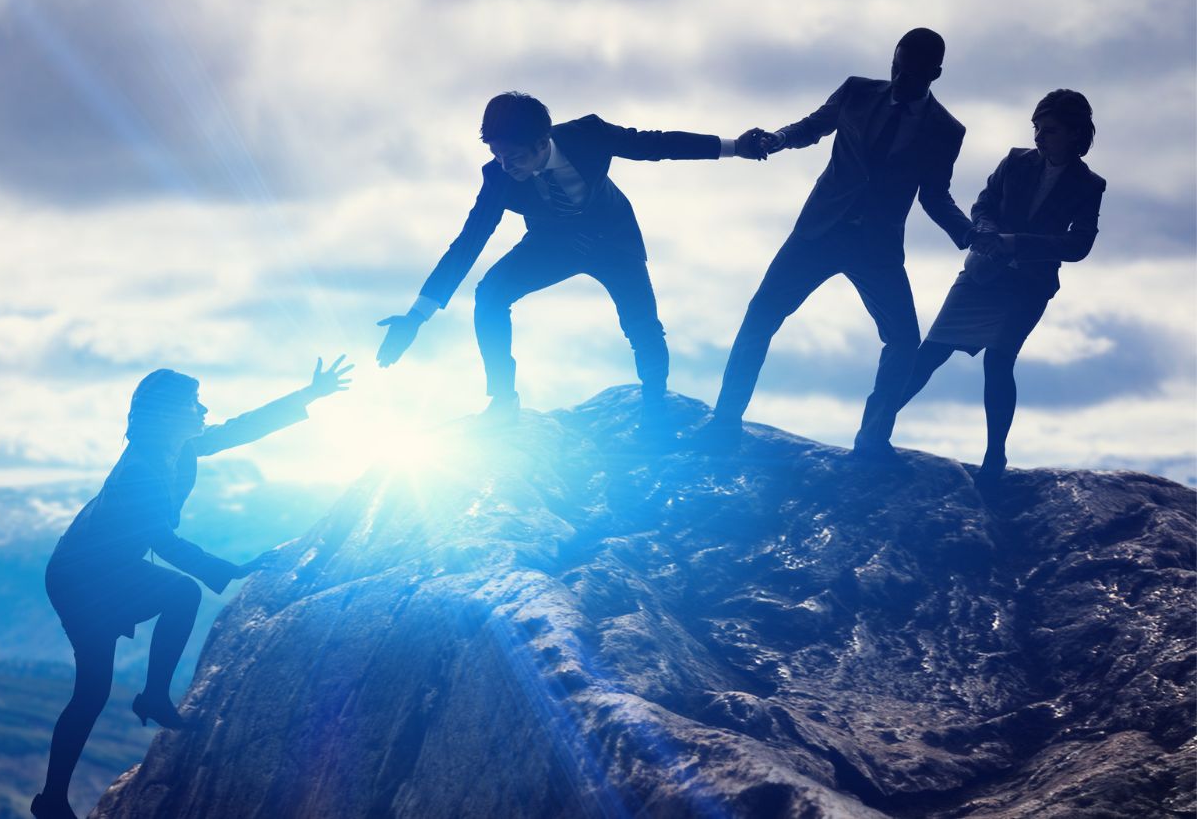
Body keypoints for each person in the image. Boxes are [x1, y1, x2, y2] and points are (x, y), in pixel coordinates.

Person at [31, 357, 351, 819]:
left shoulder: (175, 448)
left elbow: (240, 428)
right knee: (97, 684)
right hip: (81, 579)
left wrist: (307, 395)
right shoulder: (141, 468)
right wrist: (232, 568)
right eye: (193, 404)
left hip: (106, 567)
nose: (203, 411)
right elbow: (163, 540)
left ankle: (150, 700)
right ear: (166, 414)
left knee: (114, 666)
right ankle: (55, 798)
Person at [375, 91, 771, 436]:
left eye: (511, 156)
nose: (503, 164)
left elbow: (657, 145)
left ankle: (655, 410)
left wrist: (736, 146)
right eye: (495, 154)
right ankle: (503, 400)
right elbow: (468, 243)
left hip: (612, 238)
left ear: (542, 141)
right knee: (490, 294)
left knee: (642, 325)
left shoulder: (589, 134)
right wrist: (416, 317)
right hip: (553, 243)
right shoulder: (497, 178)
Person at [696, 28, 988, 457]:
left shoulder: (947, 130)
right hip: (819, 231)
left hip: (877, 247)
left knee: (904, 341)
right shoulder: (856, 91)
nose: (899, 77)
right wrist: (775, 140)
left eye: (911, 72)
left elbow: (935, 195)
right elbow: (813, 126)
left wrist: (968, 234)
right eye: (896, 66)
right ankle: (724, 425)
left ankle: (872, 441)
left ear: (935, 73)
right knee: (760, 316)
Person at [893, 90, 1104, 491]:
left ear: (1076, 134)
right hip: (982, 274)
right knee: (930, 353)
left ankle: (994, 458)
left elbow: (1079, 245)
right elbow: (983, 204)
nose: (1040, 137)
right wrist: (988, 231)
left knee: (999, 361)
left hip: (1028, 286)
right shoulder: (1014, 160)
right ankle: (875, 428)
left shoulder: (1089, 185)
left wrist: (1016, 243)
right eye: (1037, 128)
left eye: (1050, 130)